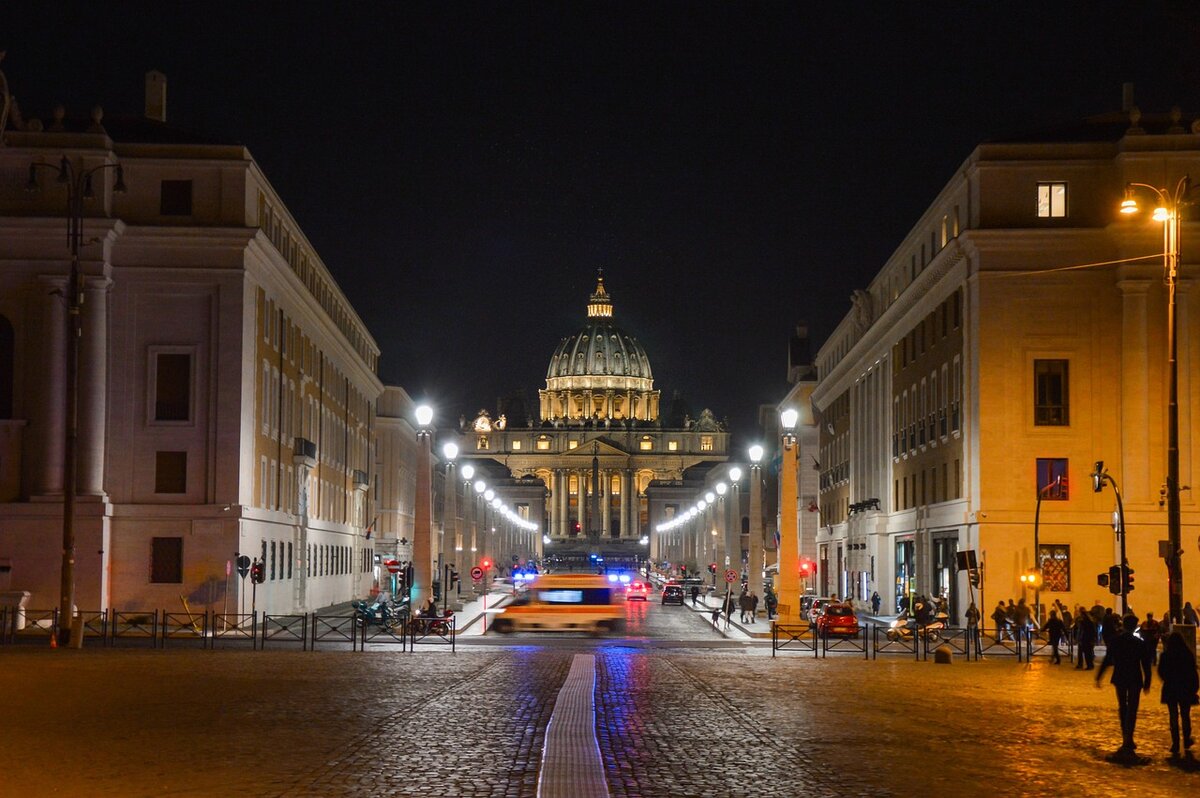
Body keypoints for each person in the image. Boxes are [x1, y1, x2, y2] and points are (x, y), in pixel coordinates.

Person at [1095, 614, 1153, 754]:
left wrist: (1099, 677)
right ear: (1135, 626)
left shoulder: (1116, 641)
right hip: (1134, 678)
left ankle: (1125, 735)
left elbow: (1108, 660)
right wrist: (1147, 681)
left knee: (1123, 706)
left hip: (1120, 677)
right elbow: (1146, 664)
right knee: (1132, 708)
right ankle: (1129, 736)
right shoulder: (1139, 643)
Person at [1158, 631, 1199, 755]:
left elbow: (1161, 671)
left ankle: (1175, 742)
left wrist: (1168, 679)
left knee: (1173, 715)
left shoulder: (1166, 655)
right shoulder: (1187, 654)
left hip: (1171, 688)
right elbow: (1193, 673)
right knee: (1185, 715)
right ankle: (1186, 739)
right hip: (1185, 688)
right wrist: (1194, 688)